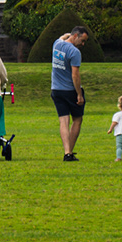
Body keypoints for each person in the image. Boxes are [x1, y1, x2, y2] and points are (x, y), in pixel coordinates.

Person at [51, 25, 89, 161]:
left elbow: (61, 37)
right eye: (82, 40)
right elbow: (75, 76)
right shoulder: (75, 52)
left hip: (55, 90)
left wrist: (65, 34)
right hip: (69, 91)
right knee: (77, 120)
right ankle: (69, 152)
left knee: (63, 121)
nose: (83, 44)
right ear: (75, 36)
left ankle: (67, 153)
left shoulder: (57, 44)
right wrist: (79, 94)